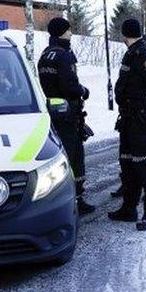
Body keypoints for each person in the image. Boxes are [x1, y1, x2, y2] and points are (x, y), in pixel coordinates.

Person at [108, 19, 146, 231]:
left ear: (125, 34)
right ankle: (129, 208)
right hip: (128, 119)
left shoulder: (143, 54)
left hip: (141, 120)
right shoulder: (131, 53)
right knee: (128, 163)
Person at [38, 17, 95, 216]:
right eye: (69, 30)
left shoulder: (46, 55)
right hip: (68, 113)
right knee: (74, 156)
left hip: (54, 113)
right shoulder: (64, 55)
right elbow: (69, 85)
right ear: (62, 32)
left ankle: (69, 199)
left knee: (64, 154)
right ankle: (73, 200)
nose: (71, 33)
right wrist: (83, 90)